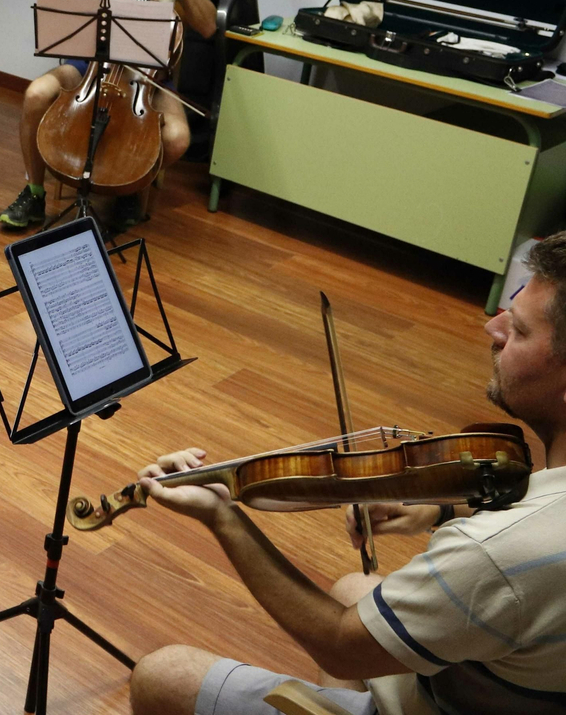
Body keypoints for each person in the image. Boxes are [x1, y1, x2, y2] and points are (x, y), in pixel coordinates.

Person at [127, 230, 566, 715]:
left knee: (162, 675)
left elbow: (339, 645)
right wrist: (438, 510)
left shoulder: (496, 556)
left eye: (519, 330)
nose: (493, 328)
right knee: (353, 587)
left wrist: (222, 516)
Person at [0, 0, 214, 232]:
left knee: (178, 138)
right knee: (36, 93)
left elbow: (206, 26)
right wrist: (110, 6)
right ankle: (34, 193)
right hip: (92, 65)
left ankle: (127, 185)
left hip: (149, 76)